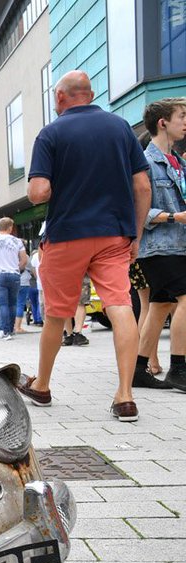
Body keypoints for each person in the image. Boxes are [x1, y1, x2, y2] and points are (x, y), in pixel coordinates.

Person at [18, 71, 152, 422]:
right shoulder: (121, 128)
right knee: (120, 306)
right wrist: (134, 234)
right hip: (113, 235)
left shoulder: (50, 134)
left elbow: (38, 192)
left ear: (60, 97)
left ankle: (43, 386)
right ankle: (125, 397)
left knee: (57, 314)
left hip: (67, 235)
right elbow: (143, 188)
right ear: (90, 95)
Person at [132, 97, 186, 392]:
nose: (185, 122)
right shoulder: (146, 162)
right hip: (160, 246)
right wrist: (174, 217)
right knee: (185, 301)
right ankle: (179, 369)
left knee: (160, 305)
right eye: (181, 116)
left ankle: (138, 370)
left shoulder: (177, 162)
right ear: (163, 122)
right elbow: (137, 208)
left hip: (176, 245)